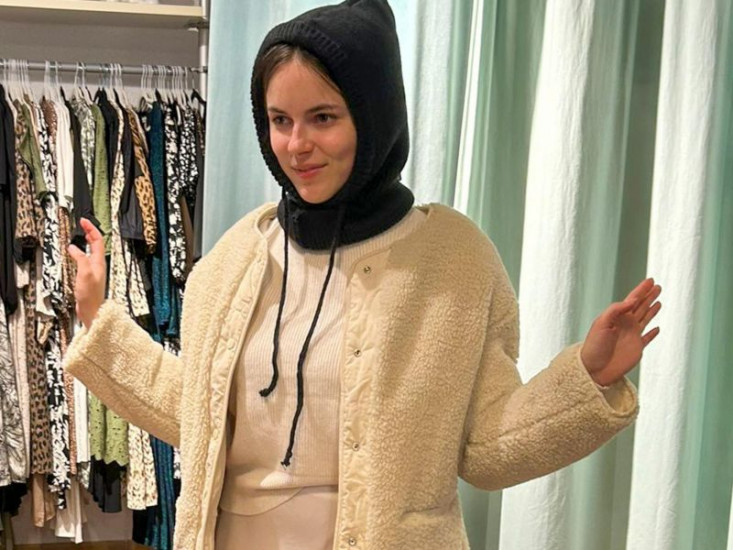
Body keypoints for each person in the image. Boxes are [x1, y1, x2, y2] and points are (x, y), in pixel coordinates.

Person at [64, 0, 662, 548]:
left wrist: (587, 379)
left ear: (375, 116)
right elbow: (197, 419)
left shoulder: (453, 260)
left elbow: (484, 448)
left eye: (323, 117)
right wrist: (98, 318)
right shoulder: (234, 260)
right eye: (279, 119)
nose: (296, 144)